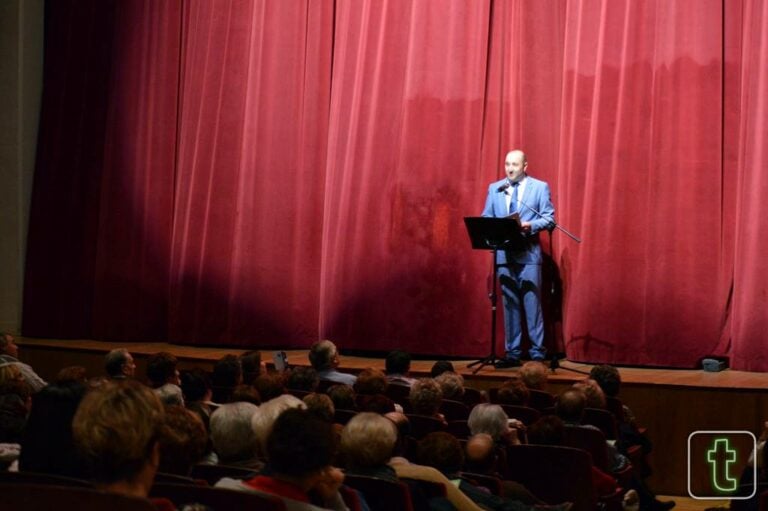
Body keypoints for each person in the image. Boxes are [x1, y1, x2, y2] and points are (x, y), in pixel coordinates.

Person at [481, 150, 555, 367]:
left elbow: (549, 219)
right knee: (510, 305)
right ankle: (512, 354)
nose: (510, 168)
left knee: (532, 305)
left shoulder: (539, 187)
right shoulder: (495, 188)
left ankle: (537, 354)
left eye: (514, 164)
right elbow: (486, 217)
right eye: (506, 164)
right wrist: (496, 228)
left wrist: (529, 225)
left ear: (525, 166)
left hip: (529, 255)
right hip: (504, 256)